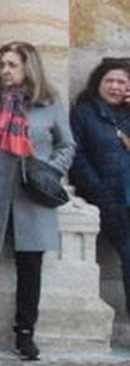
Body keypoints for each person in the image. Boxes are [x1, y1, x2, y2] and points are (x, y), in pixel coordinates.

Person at [0, 42, 76, 360]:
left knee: (30, 266)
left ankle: (25, 333)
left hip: (32, 195)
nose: (5, 71)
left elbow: (67, 144)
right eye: (2, 64)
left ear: (28, 67)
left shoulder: (48, 103)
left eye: (12, 65)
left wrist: (50, 171)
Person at [70, 58, 130, 317]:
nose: (115, 87)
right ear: (99, 83)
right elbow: (78, 157)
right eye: (110, 81)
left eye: (122, 82)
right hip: (110, 199)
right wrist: (99, 191)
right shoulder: (84, 113)